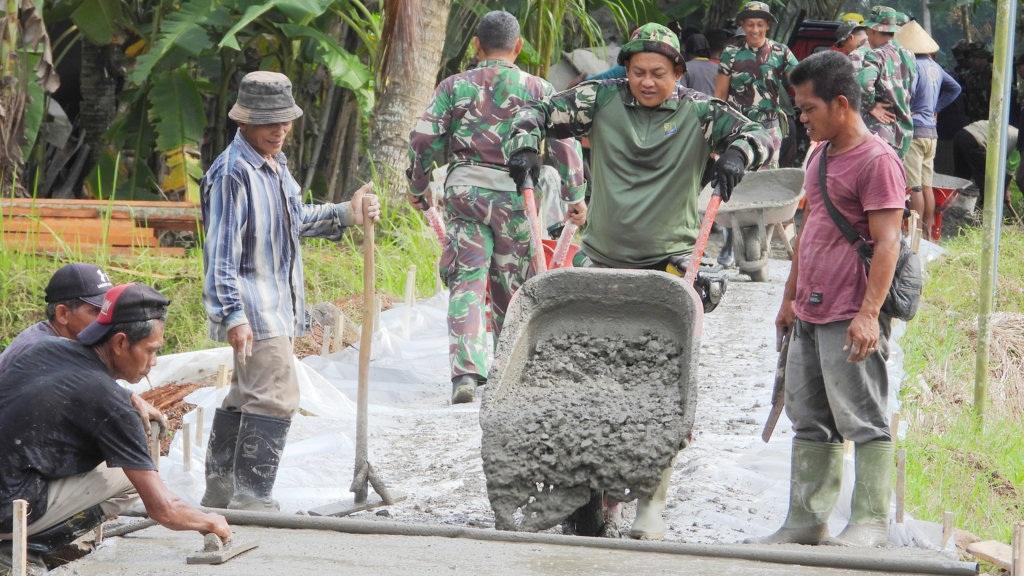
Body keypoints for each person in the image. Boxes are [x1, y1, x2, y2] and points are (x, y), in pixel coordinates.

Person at [506, 22, 773, 540]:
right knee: (581, 374)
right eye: (637, 72)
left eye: (658, 73)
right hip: (600, 260)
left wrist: (739, 154)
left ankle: (653, 500)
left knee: (662, 384)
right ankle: (583, 484)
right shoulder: (600, 100)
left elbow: (762, 133)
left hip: (669, 266)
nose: (647, 82)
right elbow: (534, 112)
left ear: (679, 72)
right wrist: (525, 147)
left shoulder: (701, 113)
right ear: (624, 71)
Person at [200, 71, 380, 511]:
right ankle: (251, 497)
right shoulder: (233, 173)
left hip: (273, 306)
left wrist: (348, 212)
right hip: (254, 308)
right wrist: (233, 314)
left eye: (284, 121)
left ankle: (222, 491)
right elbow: (220, 253)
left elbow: (294, 219)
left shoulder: (274, 165)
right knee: (276, 396)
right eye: (269, 123)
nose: (279, 130)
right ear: (244, 122)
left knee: (247, 395)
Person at [754, 50, 905, 548]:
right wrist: (788, 298)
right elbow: (810, 230)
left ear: (841, 104)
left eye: (808, 108)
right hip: (810, 311)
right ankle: (806, 519)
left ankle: (869, 521)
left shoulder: (878, 161)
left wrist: (869, 314)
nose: (802, 118)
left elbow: (888, 242)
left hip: (850, 312)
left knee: (863, 418)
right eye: (798, 109)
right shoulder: (819, 155)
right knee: (809, 419)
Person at [406, 11, 587, 405]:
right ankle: (511, 367)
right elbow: (564, 142)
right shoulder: (538, 88)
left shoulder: (454, 86)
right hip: (516, 196)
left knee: (467, 279)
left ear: (476, 45)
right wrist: (575, 196)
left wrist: (418, 186)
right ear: (518, 46)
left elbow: (423, 139)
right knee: (513, 284)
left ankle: (466, 373)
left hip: (466, 194)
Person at [0, 284, 231, 571]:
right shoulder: (111, 405)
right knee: (128, 480)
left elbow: (81, 386)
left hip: (11, 474)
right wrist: (209, 521)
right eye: (151, 350)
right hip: (6, 510)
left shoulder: (45, 348)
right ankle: (20, 549)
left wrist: (128, 396)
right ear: (120, 343)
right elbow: (164, 510)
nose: (154, 362)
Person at [714, 2, 798, 267]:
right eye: (750, 24)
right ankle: (730, 245)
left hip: (770, 129)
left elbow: (800, 82)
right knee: (734, 184)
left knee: (767, 186)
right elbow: (720, 96)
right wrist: (716, 131)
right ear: (743, 25)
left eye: (760, 24)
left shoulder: (781, 53)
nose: (754, 29)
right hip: (737, 128)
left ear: (767, 26)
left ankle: (761, 244)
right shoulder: (731, 53)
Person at [900, 20, 961, 235]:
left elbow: (908, 94)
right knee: (927, 185)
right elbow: (955, 88)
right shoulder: (936, 67)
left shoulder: (914, 66)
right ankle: (928, 231)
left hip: (915, 132)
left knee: (914, 186)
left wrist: (905, 110)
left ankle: (914, 234)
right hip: (931, 133)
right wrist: (936, 107)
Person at [0, 263, 112, 374]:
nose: (107, 318)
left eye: (108, 309)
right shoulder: (41, 354)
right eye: (96, 311)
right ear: (62, 314)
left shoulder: (62, 341)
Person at [853, 6, 916, 159]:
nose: (867, 36)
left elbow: (862, 84)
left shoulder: (876, 55)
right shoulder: (909, 55)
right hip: (904, 134)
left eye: (867, 31)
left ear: (873, 30)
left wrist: (871, 105)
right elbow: (912, 90)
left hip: (880, 134)